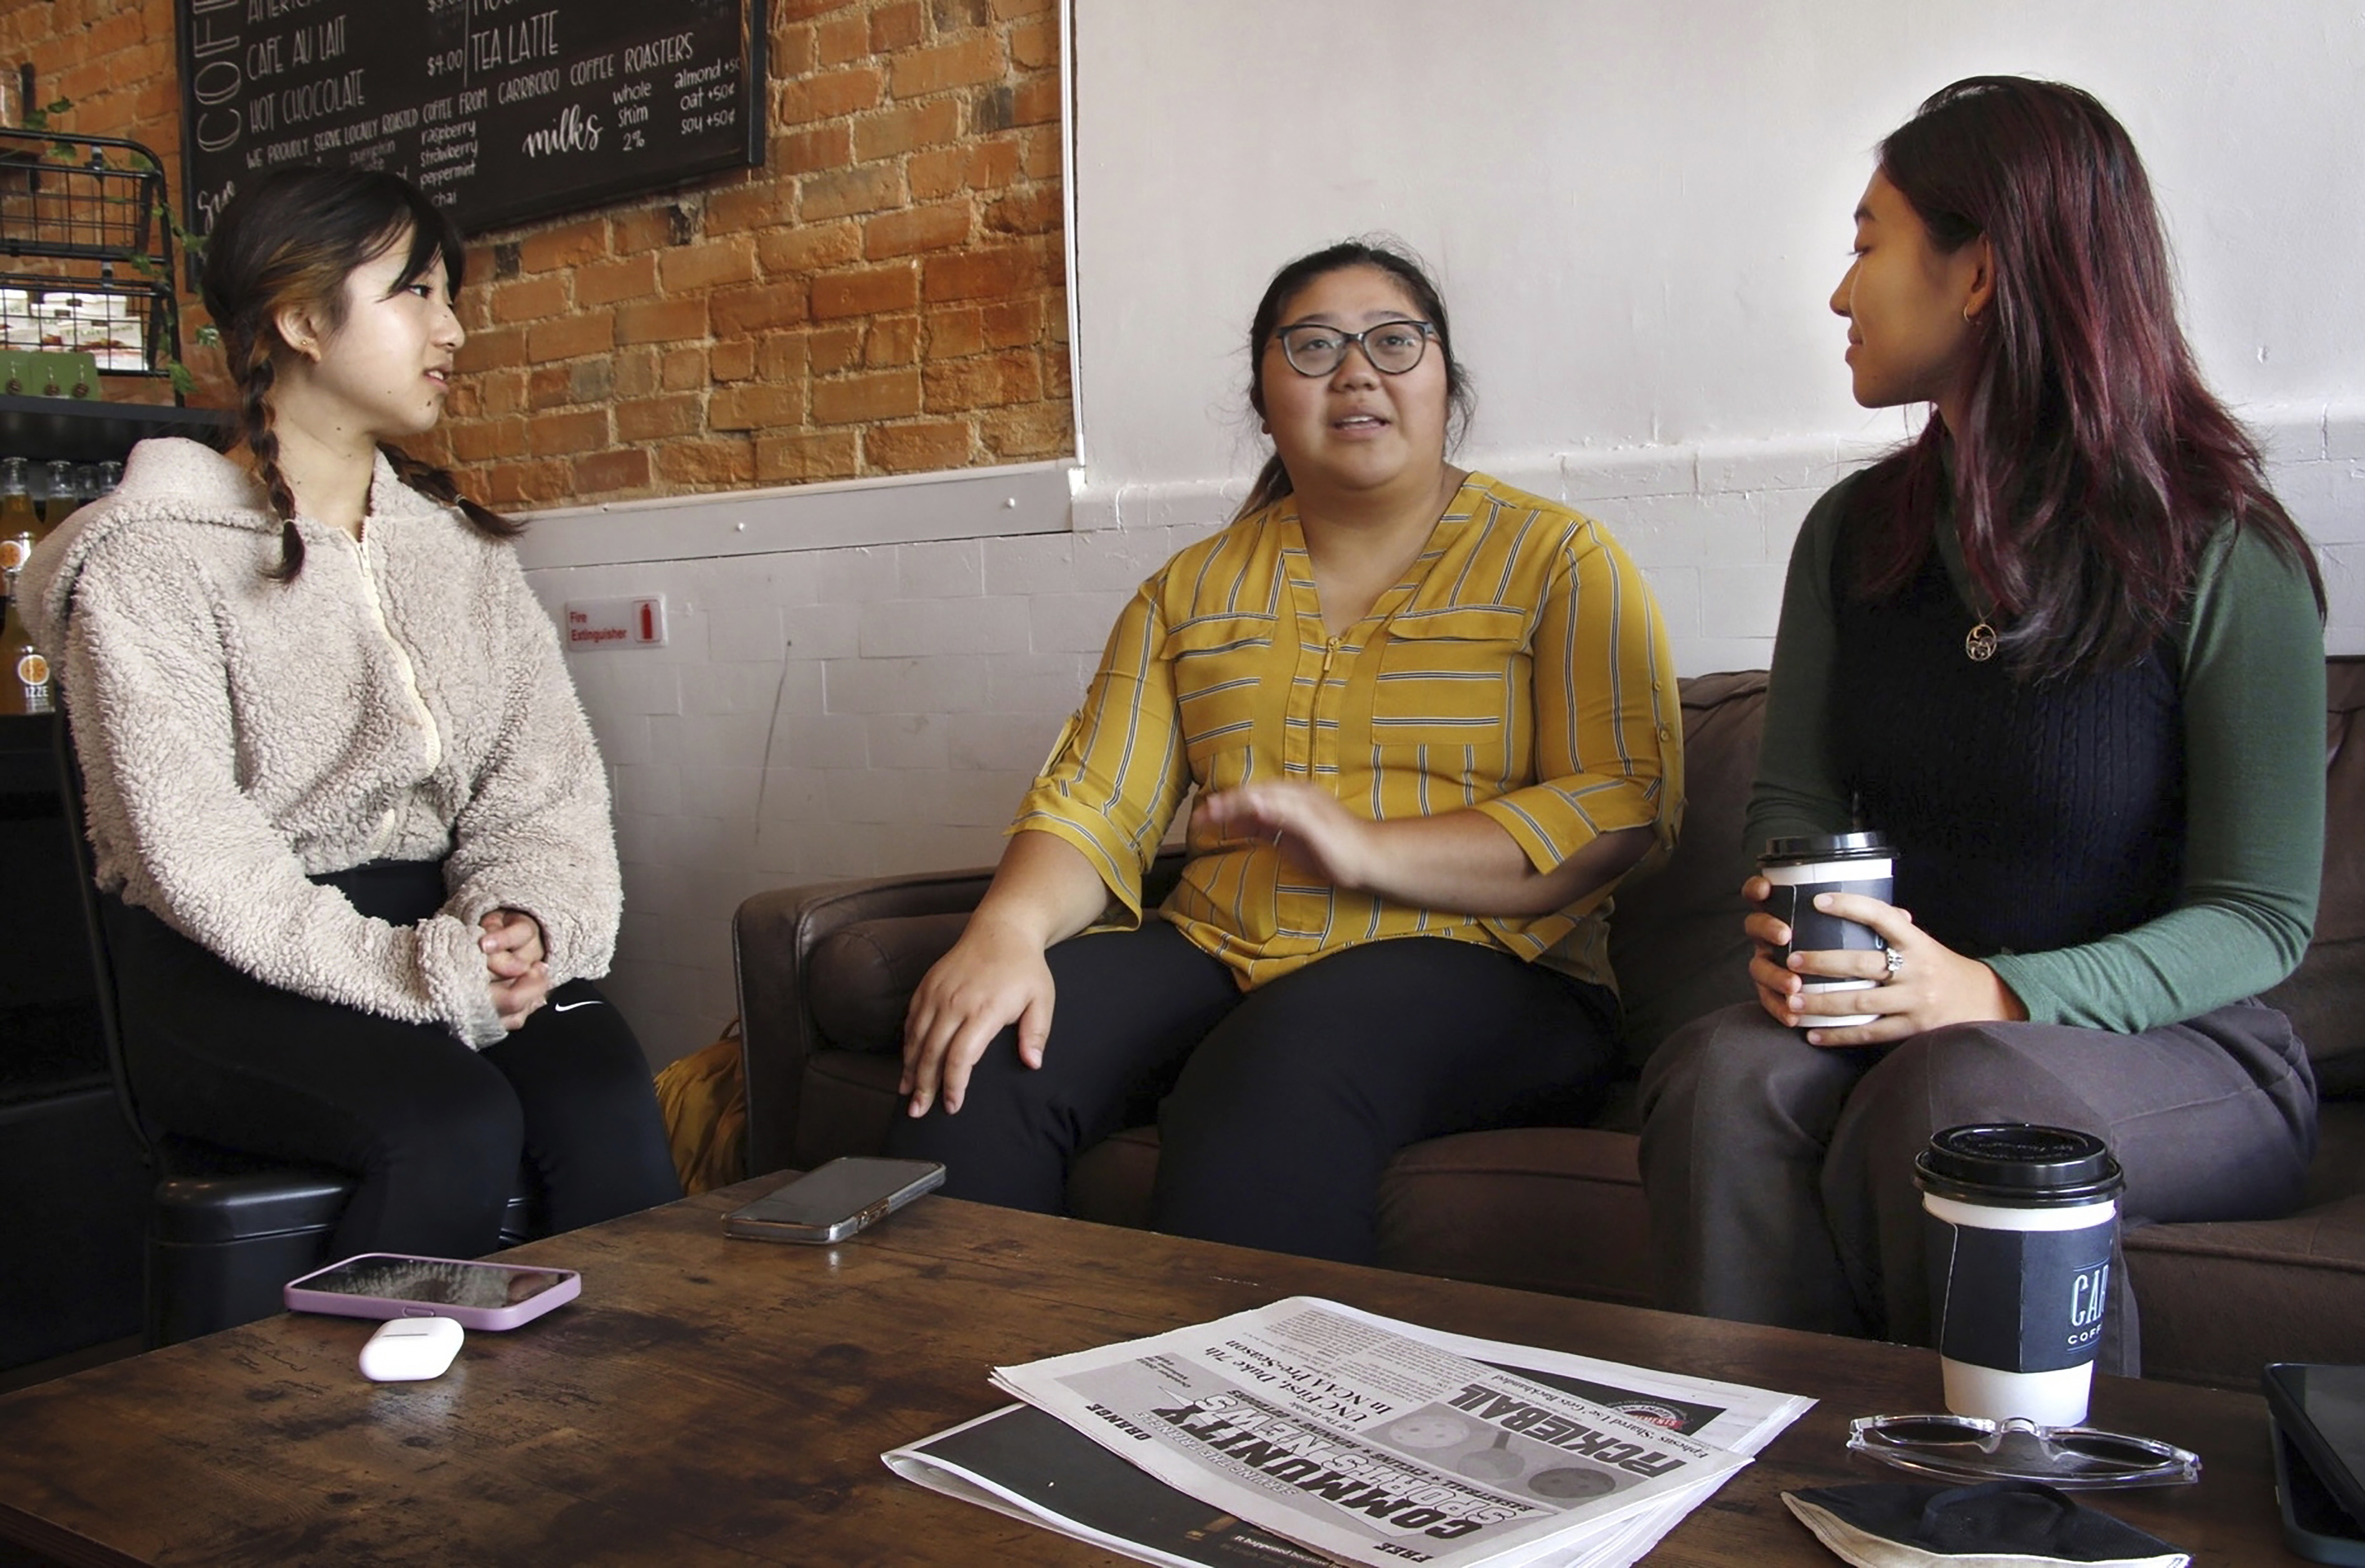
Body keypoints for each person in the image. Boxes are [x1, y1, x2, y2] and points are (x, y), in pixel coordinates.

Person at [1637, 78, 2326, 1372]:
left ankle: (2030, 1516)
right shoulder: (1852, 537)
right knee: (1724, 1080)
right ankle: (1734, 1493)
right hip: (1902, 1023)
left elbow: (2261, 918)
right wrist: (1808, 938)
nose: (1841, 296)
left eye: (1866, 243)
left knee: (1960, 1094)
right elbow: (1794, 799)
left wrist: (1997, 993)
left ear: (1979, 274)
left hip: (2179, 1052)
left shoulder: (2225, 552)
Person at [889, 239, 1683, 1263]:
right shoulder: (1189, 590)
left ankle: (1222, 1425)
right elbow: (1093, 801)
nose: (1357, 370)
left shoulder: (1560, 560)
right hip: (1222, 948)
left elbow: (1624, 805)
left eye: (1394, 342)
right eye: (1313, 347)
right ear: (1264, 399)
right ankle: (953, 1384)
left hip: (1491, 965)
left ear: (1449, 383)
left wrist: (1367, 850)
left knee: (1282, 1061)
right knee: (984, 1041)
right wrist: (1005, 931)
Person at [20, 167, 681, 1261]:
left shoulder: (457, 553)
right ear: (298, 318)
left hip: (446, 928)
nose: (453, 328)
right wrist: (413, 971)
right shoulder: (149, 559)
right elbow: (195, 855)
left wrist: (520, 921)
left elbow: (547, 783)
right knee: (450, 1126)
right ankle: (352, 1432)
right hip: (233, 964)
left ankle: (600, 1424)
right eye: (416, 292)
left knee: (608, 1097)